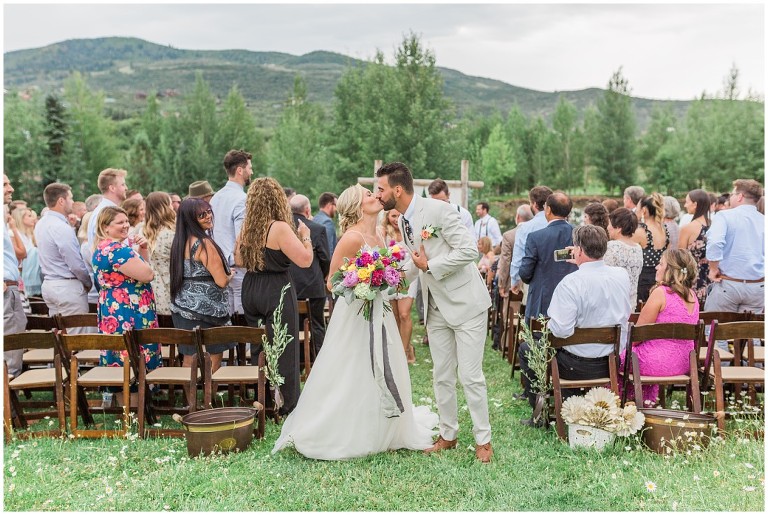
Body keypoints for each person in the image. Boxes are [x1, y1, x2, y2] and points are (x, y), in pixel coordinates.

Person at [272, 184, 438, 460]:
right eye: (369, 195)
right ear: (358, 206)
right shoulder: (351, 237)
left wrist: (391, 276)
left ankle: (384, 425)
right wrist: (361, 283)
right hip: (355, 315)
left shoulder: (381, 235)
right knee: (353, 366)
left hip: (381, 311)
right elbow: (331, 280)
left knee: (384, 363)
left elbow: (386, 272)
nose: (375, 196)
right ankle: (343, 426)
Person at [375, 162, 493, 463]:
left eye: (381, 189)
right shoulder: (403, 221)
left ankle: (484, 440)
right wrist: (384, 284)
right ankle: (448, 434)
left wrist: (432, 266)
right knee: (441, 375)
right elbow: (416, 263)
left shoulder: (439, 212)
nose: (378, 195)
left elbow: (469, 251)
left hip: (466, 304)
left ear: (397, 190)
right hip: (436, 307)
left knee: (470, 376)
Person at [235, 177, 313, 416]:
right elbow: (305, 260)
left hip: (251, 287)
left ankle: (264, 402)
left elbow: (238, 261)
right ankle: (288, 405)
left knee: (259, 346)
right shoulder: (279, 227)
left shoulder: (247, 227)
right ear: (278, 199)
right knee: (284, 346)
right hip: (276, 289)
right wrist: (306, 236)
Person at [542, 225, 632, 411]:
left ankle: (546, 410)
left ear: (580, 250)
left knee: (528, 349)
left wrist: (549, 323)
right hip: (611, 360)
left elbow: (561, 330)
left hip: (575, 365)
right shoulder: (622, 276)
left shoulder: (570, 283)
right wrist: (583, 264)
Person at [170, 198, 234, 396]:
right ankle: (210, 400)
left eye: (209, 212)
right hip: (210, 310)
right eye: (202, 215)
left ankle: (191, 402)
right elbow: (221, 281)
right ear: (191, 219)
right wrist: (230, 273)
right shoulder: (204, 244)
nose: (208, 217)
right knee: (214, 357)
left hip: (182, 308)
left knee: (188, 357)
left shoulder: (179, 243)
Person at [621, 249, 700, 407]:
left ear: (670, 270)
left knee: (617, 358)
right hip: (684, 362)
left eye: (661, 264)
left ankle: (622, 407)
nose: (656, 267)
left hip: (655, 363)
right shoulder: (692, 295)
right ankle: (645, 404)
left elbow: (637, 337)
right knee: (647, 352)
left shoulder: (660, 293)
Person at [92, 207, 160, 379]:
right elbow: (147, 274)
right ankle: (137, 402)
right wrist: (134, 251)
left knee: (119, 355)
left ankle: (126, 402)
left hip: (113, 307)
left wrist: (142, 248)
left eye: (127, 221)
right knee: (133, 355)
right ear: (105, 226)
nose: (126, 225)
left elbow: (141, 266)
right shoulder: (117, 250)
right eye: (119, 222)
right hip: (128, 309)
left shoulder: (104, 247)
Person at [704, 180, 764, 356]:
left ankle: (720, 376)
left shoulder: (725, 216)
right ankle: (751, 378)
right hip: (758, 286)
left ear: (740, 196)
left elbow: (715, 242)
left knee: (716, 331)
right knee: (751, 333)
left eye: (732, 193)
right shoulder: (763, 220)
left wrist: (713, 268)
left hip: (728, 283)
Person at [35, 183, 93, 326]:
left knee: (62, 337)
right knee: (78, 339)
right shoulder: (60, 226)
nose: (72, 202)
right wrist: (87, 282)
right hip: (66, 286)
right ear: (61, 201)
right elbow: (75, 263)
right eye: (71, 198)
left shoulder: (41, 223)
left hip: (50, 284)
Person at [518, 192, 578, 323]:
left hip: (542, 301)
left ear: (548, 209)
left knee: (538, 340)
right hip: (573, 301)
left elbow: (525, 273)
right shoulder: (579, 235)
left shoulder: (536, 237)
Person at [288, 194, 331, 358]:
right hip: (313, 286)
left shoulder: (282, 229)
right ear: (307, 210)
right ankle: (318, 359)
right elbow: (325, 258)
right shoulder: (318, 229)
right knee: (317, 325)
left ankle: (296, 361)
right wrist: (324, 274)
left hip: (289, 285)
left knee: (292, 325)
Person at [210, 149, 252, 316]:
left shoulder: (215, 198)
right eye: (250, 168)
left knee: (226, 323)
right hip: (238, 268)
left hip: (217, 267)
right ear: (240, 170)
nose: (251, 172)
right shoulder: (241, 199)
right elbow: (242, 238)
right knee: (243, 325)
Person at [380, 208, 418, 364]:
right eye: (393, 216)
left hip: (408, 276)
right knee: (394, 316)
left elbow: (416, 253)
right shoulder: (385, 233)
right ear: (388, 217)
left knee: (404, 314)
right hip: (390, 277)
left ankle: (403, 354)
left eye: (399, 216)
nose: (396, 219)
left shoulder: (410, 232)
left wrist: (405, 272)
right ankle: (404, 347)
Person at [509, 186, 553, 297]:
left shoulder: (525, 228)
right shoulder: (562, 225)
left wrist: (515, 280)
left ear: (533, 204)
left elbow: (518, 257)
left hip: (534, 279)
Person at [4, 174, 27, 379]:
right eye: (5, 184)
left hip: (11, 285)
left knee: (16, 335)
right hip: (4, 286)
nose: (10, 188)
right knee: (9, 340)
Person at [139, 192, 176, 319]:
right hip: (172, 290)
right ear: (165, 207)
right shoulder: (170, 233)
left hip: (152, 292)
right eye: (170, 204)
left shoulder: (142, 231)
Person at [632, 193, 669, 304]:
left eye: (637, 208)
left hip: (642, 281)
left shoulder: (641, 231)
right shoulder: (664, 229)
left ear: (644, 210)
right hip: (660, 278)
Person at [677, 189, 711, 308]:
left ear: (695, 204)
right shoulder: (714, 225)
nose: (685, 205)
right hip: (712, 282)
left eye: (687, 202)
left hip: (692, 281)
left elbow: (680, 260)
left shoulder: (688, 228)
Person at [604, 208, 643, 309]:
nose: (607, 227)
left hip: (613, 304)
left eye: (610, 224)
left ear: (619, 228)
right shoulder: (638, 248)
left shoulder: (612, 246)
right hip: (631, 304)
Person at [496, 204, 533, 299]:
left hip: (513, 283)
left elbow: (505, 262)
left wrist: (501, 285)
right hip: (533, 281)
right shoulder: (538, 232)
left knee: (511, 312)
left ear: (518, 217)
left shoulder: (508, 235)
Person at [88, 168, 128, 250]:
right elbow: (103, 250)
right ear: (112, 188)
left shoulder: (107, 210)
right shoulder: (103, 213)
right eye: (123, 185)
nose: (126, 188)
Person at [11, 207, 42, 297]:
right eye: (29, 216)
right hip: (20, 274)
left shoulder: (28, 235)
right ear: (20, 218)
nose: (33, 218)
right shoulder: (13, 234)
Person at [313, 192, 338, 257]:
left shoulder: (314, 219)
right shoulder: (327, 222)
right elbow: (328, 249)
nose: (336, 209)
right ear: (329, 205)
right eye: (336, 205)